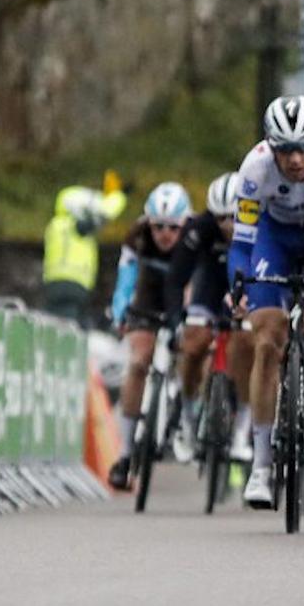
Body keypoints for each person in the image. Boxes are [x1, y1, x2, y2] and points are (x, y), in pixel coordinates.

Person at [229, 95, 304, 510]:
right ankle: (262, 465)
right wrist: (239, 284)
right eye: (286, 150)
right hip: (276, 239)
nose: (296, 159)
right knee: (266, 341)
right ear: (271, 146)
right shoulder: (254, 169)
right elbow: (242, 241)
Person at [107, 182, 192, 491]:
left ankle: (183, 413)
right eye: (158, 226)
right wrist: (119, 313)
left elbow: (200, 281)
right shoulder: (137, 235)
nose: (165, 234)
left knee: (191, 349)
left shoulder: (194, 236)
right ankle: (126, 454)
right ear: (148, 222)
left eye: (172, 227)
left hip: (184, 292)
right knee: (139, 361)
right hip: (149, 294)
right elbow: (125, 280)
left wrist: (190, 316)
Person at [161, 172, 245, 464]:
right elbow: (175, 279)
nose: (228, 226)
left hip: (245, 287)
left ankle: (243, 429)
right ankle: (187, 417)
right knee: (193, 345)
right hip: (209, 287)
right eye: (221, 218)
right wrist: (176, 322)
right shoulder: (199, 228)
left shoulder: (261, 225)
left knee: (247, 348)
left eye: (234, 218)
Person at [42, 174, 127, 322]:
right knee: (68, 327)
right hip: (72, 284)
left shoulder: (56, 225)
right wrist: (118, 195)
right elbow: (106, 212)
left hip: (54, 284)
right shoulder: (75, 226)